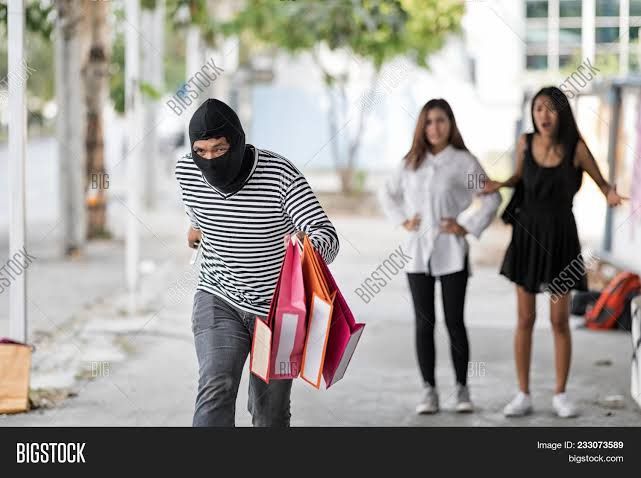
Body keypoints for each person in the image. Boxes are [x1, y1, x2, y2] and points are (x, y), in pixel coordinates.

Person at [175, 98, 340, 427]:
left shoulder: (280, 174)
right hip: (218, 297)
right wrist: (195, 229)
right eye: (201, 151)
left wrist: (307, 246)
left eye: (219, 150)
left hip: (279, 312)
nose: (209, 160)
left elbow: (327, 237)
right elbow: (198, 214)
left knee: (269, 414)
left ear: (237, 142)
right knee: (216, 386)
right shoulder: (186, 172)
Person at [482, 86, 626, 418]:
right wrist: (499, 184)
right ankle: (523, 394)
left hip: (561, 236)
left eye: (550, 109)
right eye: (538, 109)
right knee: (525, 319)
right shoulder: (525, 143)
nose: (543, 116)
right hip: (528, 235)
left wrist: (611, 194)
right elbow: (519, 177)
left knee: (559, 321)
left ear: (562, 113)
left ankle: (561, 394)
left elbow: (602, 184)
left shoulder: (576, 148)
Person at [379, 99, 500, 414]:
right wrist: (403, 219)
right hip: (417, 254)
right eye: (429, 121)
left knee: (455, 321)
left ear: (451, 123)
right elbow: (387, 193)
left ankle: (462, 389)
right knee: (424, 323)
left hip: (451, 252)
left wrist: (465, 226)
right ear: (422, 126)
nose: (435, 127)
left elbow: (491, 197)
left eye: (441, 120)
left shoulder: (463, 162)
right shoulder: (410, 163)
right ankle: (428, 391)